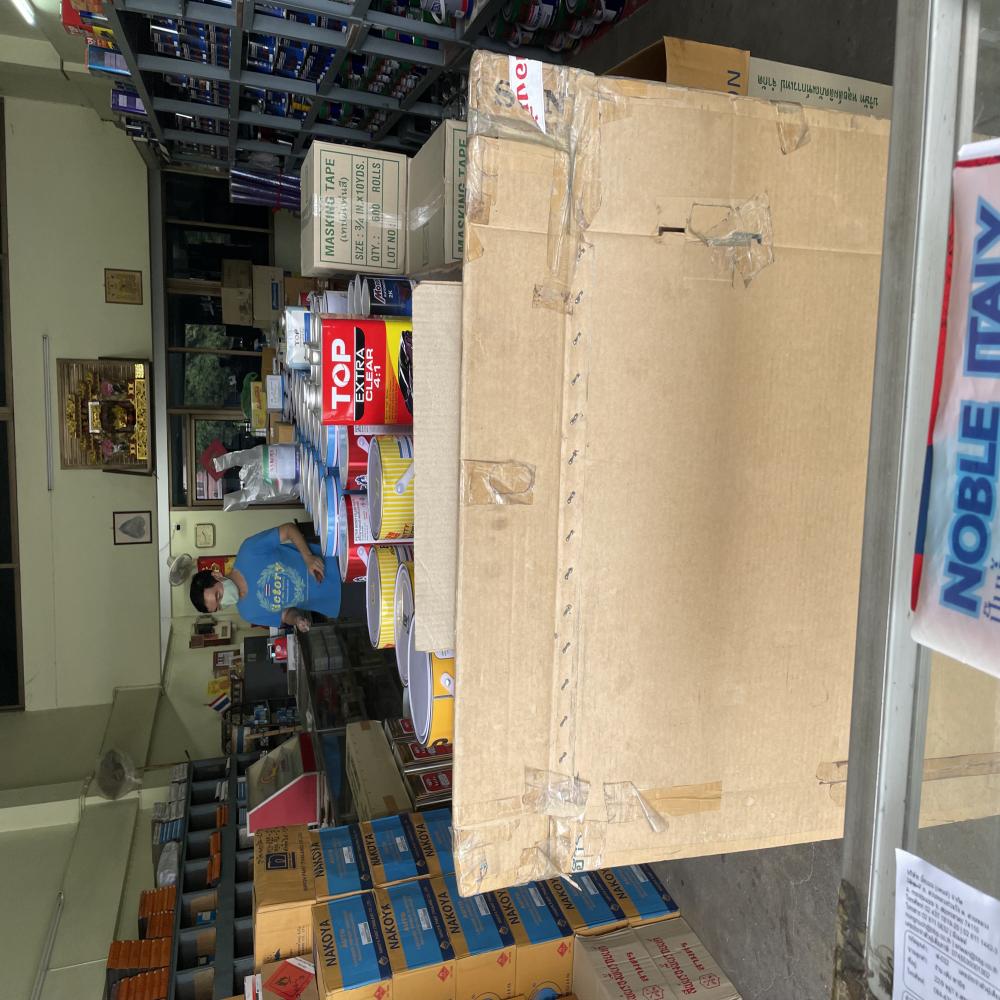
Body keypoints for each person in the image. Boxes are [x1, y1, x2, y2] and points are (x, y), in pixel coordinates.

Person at [189, 521, 340, 631]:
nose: (224, 601)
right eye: (219, 606)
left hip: (333, 562)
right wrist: (297, 619)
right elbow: (285, 614)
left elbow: (289, 529)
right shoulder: (247, 613)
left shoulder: (248, 551)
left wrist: (307, 557)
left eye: (218, 595)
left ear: (217, 575)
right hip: (332, 601)